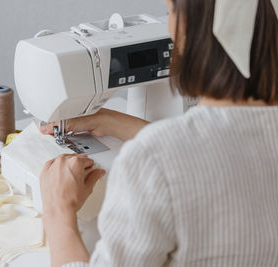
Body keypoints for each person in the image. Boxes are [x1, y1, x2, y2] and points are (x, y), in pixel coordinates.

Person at [39, 0, 278, 266]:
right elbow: (227, 148)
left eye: (170, 11)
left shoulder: (153, 160)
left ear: (186, 27)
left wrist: (57, 211)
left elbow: (174, 160)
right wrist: (111, 121)